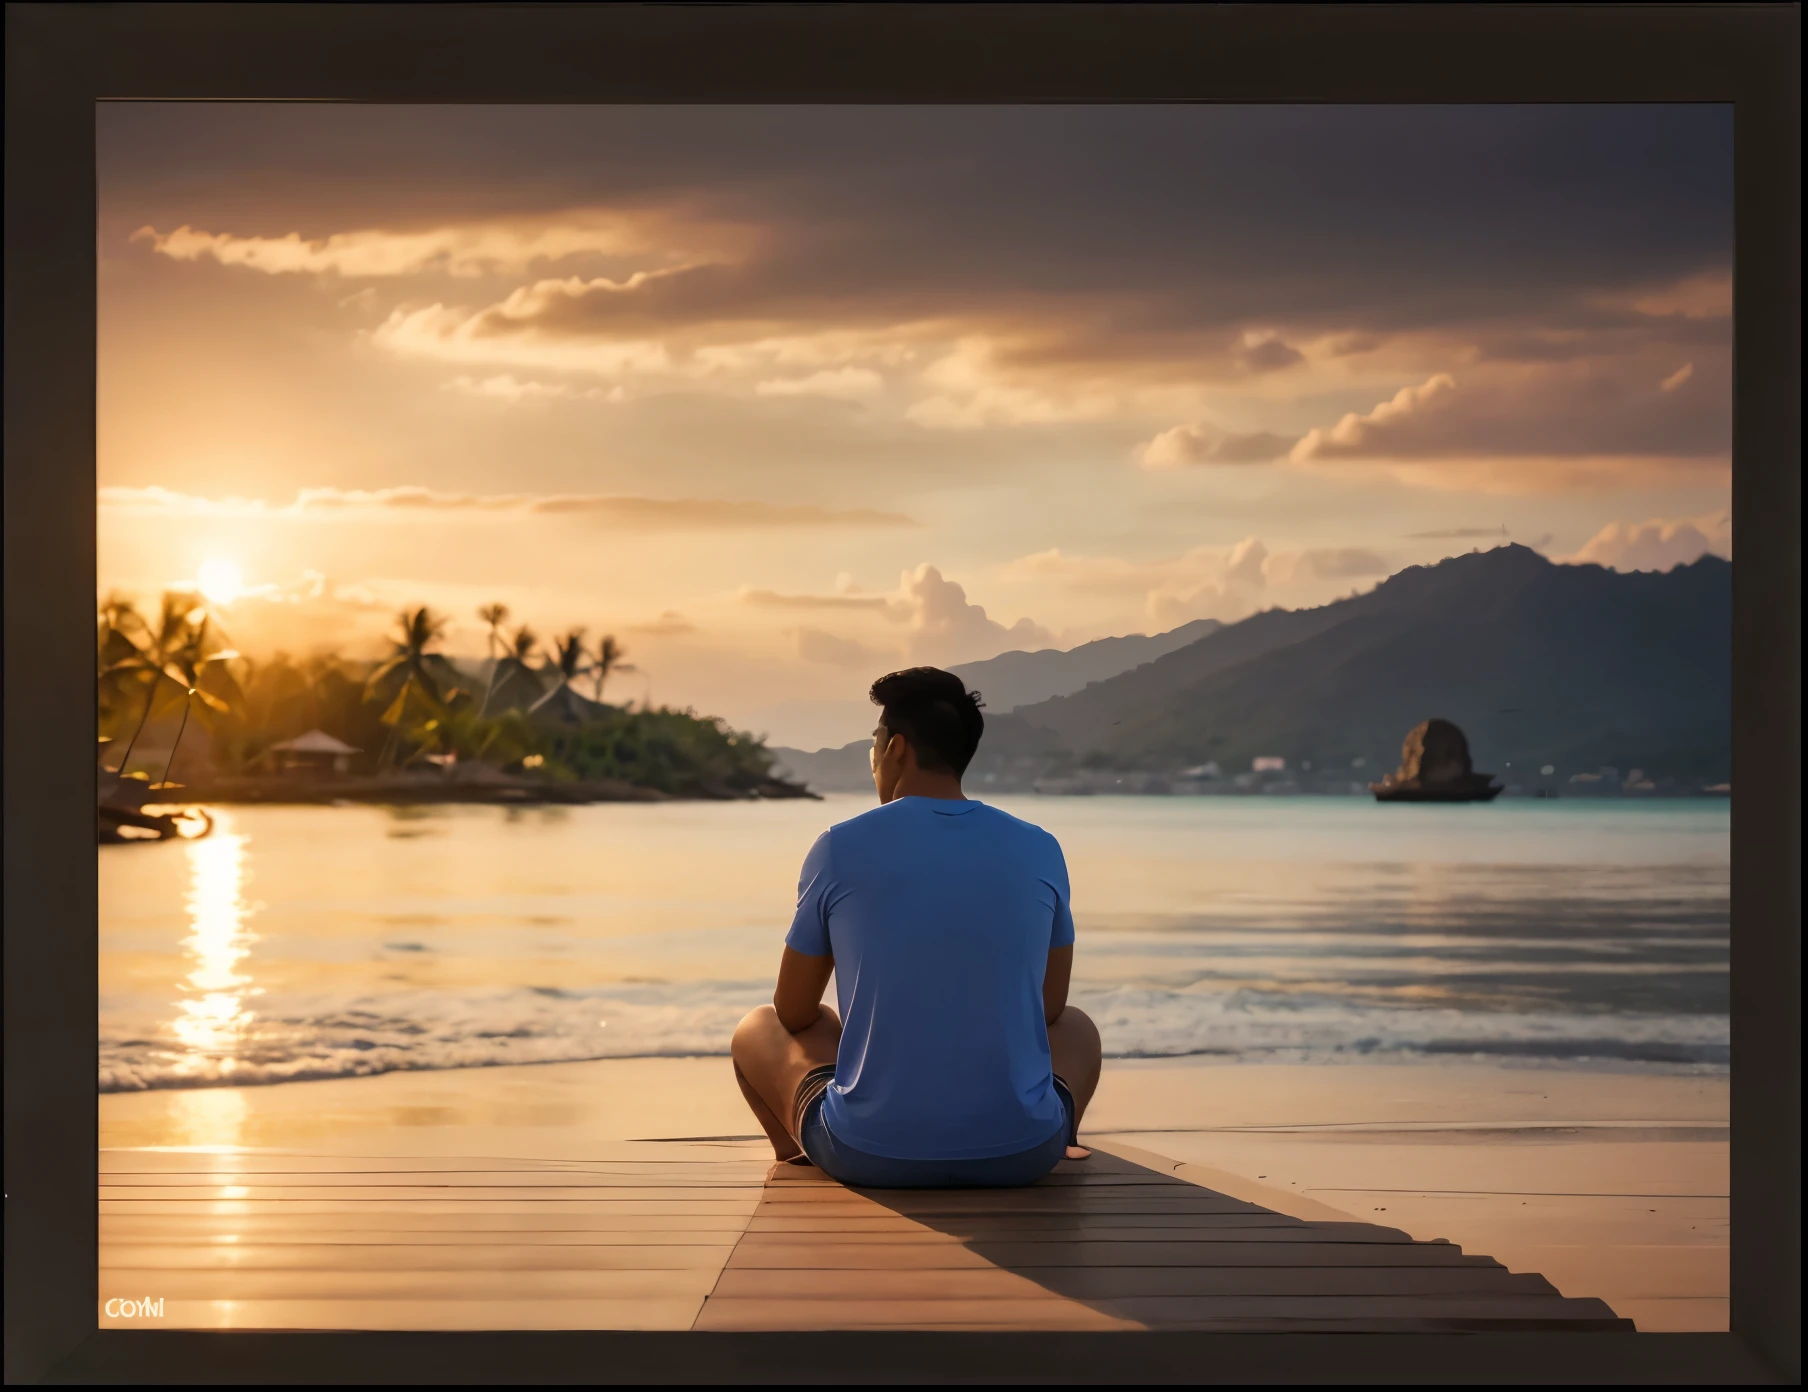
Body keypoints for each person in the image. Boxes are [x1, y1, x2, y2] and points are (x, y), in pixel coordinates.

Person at [730, 666, 1102, 1188]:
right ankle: (1061, 1139)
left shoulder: (841, 845)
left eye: (874, 744)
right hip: (1021, 1154)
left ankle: (806, 1155)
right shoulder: (1041, 846)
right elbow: (1050, 1008)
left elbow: (792, 1011)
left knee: (760, 1026)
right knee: (1078, 1028)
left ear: (896, 748)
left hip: (869, 1154)